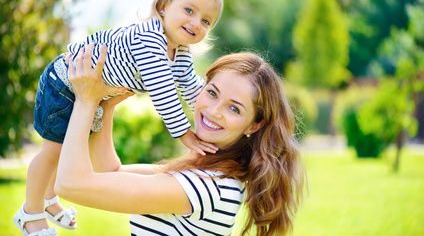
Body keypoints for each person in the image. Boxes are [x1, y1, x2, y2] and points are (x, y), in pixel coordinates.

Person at [14, 0, 222, 236]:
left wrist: (210, 112)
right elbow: (163, 92)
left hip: (88, 93)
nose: (196, 23)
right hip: (65, 83)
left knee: (65, 150)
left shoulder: (179, 52)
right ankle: (30, 213)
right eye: (189, 11)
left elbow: (190, 86)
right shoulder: (150, 40)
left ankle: (49, 200)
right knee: (53, 152)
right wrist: (186, 135)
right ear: (163, 6)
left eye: (206, 21)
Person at [53, 44, 304, 235]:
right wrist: (105, 107)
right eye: (212, 92)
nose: (214, 110)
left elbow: (70, 185)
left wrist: (86, 100)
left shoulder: (209, 185)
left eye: (234, 108)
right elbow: (109, 171)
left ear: (255, 124)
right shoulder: (205, 171)